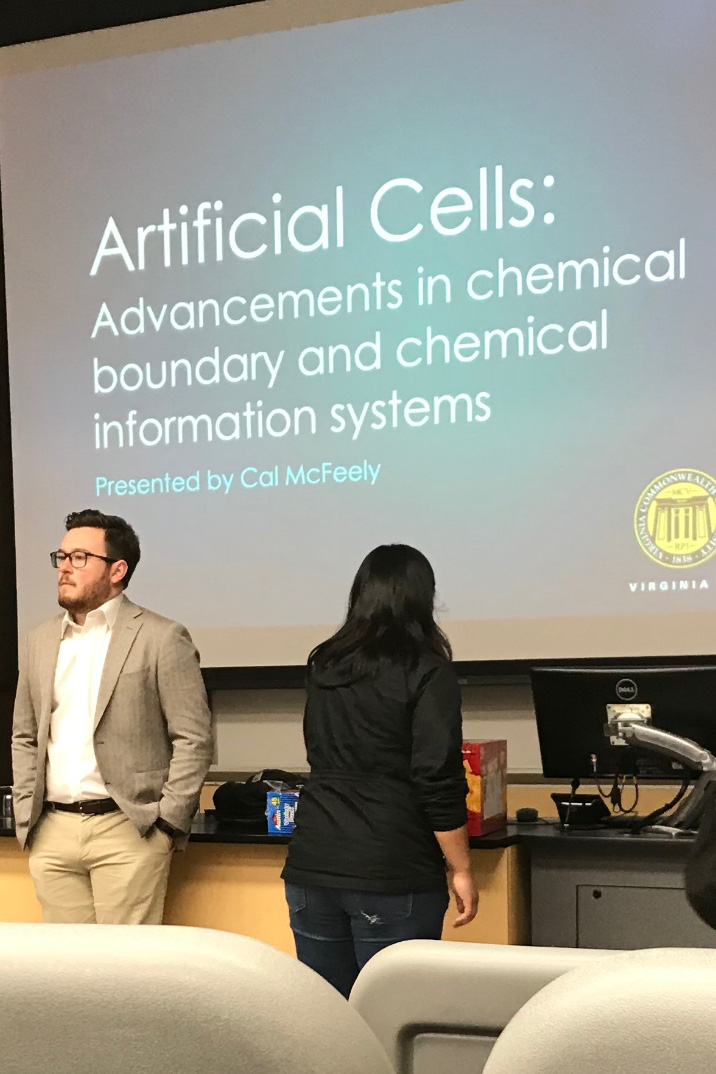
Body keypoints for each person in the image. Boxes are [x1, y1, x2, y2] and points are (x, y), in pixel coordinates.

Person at [282, 543, 478, 997]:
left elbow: (320, 753)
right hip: (393, 867)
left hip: (313, 864)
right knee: (393, 1021)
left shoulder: (324, 665)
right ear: (423, 599)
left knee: (328, 1022)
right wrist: (462, 868)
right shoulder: (428, 672)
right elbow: (436, 775)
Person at [11, 509, 214, 924]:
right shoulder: (38, 640)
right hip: (52, 830)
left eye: (80, 557)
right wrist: (25, 817)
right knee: (70, 976)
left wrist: (167, 826)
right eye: (61, 556)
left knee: (126, 976)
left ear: (117, 569)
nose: (65, 568)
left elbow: (193, 738)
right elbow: (25, 736)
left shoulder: (161, 637)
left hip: (128, 829)